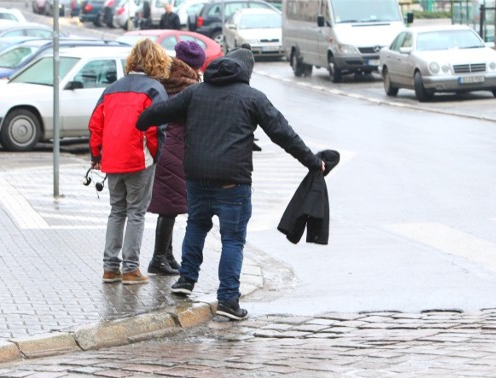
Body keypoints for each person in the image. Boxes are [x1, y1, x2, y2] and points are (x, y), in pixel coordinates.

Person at [136, 47, 324, 320]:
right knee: (233, 240)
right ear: (247, 72)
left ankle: (186, 281)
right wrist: (312, 162)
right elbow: (283, 134)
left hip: (197, 177)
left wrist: (140, 120)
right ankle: (228, 300)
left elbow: (158, 112)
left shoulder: (195, 92)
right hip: (232, 183)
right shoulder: (253, 98)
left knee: (197, 226)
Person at [89, 38, 171, 285]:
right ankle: (131, 268)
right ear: (157, 61)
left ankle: (110, 267)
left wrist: (96, 156)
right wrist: (155, 156)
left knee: (117, 211)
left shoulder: (112, 89)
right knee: (137, 212)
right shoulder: (154, 89)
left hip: (112, 160)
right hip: (139, 158)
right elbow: (157, 128)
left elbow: (95, 124)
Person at [147, 41, 205, 276]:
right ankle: (159, 257)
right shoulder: (187, 86)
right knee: (170, 205)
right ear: (193, 65)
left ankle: (167, 255)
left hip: (165, 145)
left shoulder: (165, 77)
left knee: (170, 204)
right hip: (174, 147)